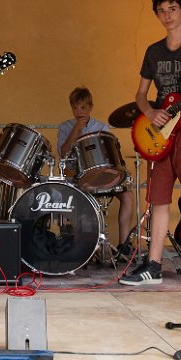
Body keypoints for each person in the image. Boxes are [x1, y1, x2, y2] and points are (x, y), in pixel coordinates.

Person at [120, 0, 181, 288]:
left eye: (173, 8)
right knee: (158, 201)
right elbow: (140, 94)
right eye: (162, 10)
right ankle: (153, 265)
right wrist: (149, 112)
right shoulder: (153, 51)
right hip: (159, 135)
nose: (167, 15)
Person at [57, 86, 134, 256]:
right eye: (75, 107)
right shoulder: (65, 127)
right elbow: (63, 154)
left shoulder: (101, 127)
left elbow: (110, 156)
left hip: (101, 176)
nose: (79, 111)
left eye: (83, 107)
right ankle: (85, 246)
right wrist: (77, 128)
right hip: (78, 178)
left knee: (127, 195)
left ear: (90, 107)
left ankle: (124, 245)